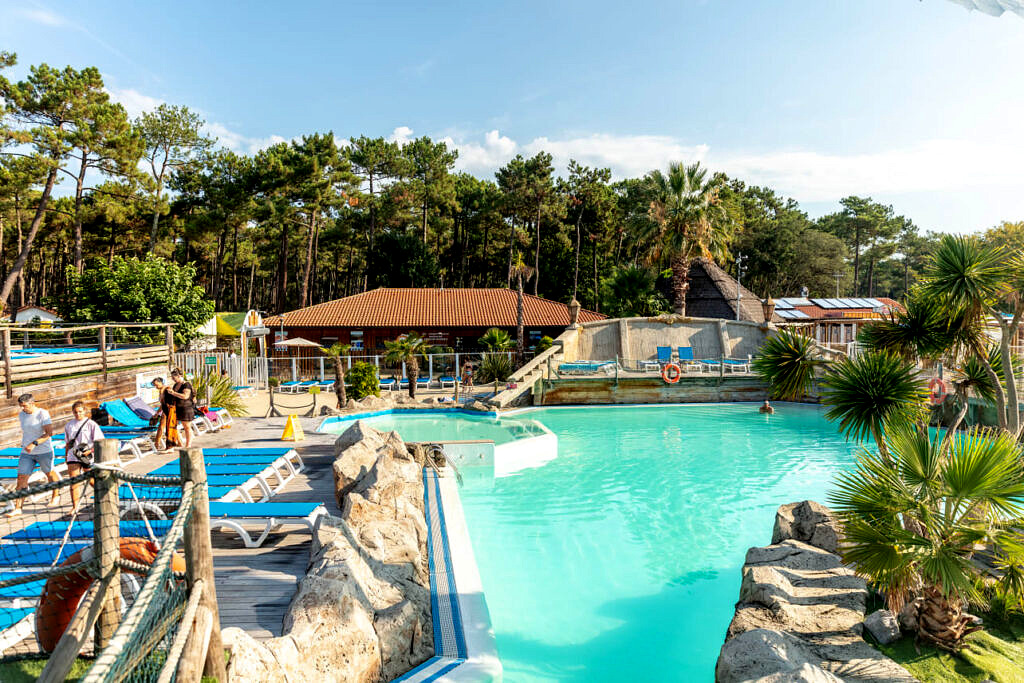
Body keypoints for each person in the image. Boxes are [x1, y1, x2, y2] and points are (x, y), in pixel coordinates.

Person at [9, 394, 59, 514]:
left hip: (44, 451)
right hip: (26, 452)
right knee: (21, 478)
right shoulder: (22, 415)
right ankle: (18, 508)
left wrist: (34, 443)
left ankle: (55, 495)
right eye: (21, 406)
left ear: (32, 403)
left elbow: (49, 433)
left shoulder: (42, 413)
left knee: (50, 474)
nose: (22, 408)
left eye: (24, 406)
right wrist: (27, 446)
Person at [64, 401, 104, 512]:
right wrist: (66, 455)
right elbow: (68, 442)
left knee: (90, 479)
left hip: (87, 455)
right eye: (76, 412)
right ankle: (75, 506)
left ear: (84, 411)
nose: (78, 414)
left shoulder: (91, 424)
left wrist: (90, 451)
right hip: (73, 455)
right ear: (72, 412)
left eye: (80, 412)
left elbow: (99, 440)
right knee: (74, 481)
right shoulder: (69, 425)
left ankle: (102, 495)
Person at [166, 368, 196, 448]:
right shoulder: (176, 385)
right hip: (178, 408)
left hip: (186, 408)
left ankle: (188, 445)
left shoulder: (186, 384)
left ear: (179, 376)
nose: (173, 379)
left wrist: (173, 393)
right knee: (176, 426)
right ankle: (180, 442)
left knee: (187, 427)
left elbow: (185, 396)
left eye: (174, 377)